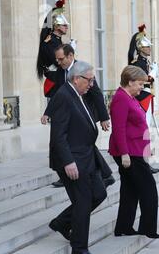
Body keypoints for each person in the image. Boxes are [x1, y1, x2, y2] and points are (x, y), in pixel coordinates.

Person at [48, 61, 107, 254]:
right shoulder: (63, 97)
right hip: (73, 160)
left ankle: (62, 222)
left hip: (87, 156)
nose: (91, 84)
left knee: (99, 194)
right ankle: (79, 250)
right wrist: (68, 162)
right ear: (76, 78)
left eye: (93, 80)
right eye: (89, 80)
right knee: (82, 202)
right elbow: (58, 136)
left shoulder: (79, 94)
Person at [42, 44, 115, 189]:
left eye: (61, 59)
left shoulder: (83, 71)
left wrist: (104, 117)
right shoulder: (60, 72)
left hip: (82, 115)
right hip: (69, 115)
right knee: (78, 144)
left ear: (70, 56)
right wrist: (48, 112)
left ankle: (103, 175)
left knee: (84, 145)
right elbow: (57, 95)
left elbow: (96, 94)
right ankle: (102, 175)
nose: (59, 62)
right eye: (57, 60)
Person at [109, 66, 159, 239]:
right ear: (130, 82)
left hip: (135, 150)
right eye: (139, 84)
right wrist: (124, 153)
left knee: (130, 189)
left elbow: (137, 126)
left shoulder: (129, 97)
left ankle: (124, 227)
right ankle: (147, 228)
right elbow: (119, 128)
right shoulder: (121, 99)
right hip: (128, 152)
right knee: (148, 188)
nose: (142, 87)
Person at [128, 24, 159, 175]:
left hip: (147, 97)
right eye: (147, 47)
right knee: (144, 130)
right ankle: (144, 162)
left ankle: (146, 161)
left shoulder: (144, 62)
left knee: (147, 129)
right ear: (140, 48)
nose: (149, 49)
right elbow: (142, 80)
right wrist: (153, 74)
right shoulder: (138, 63)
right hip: (142, 98)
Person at [36, 0, 70, 99]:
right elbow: (58, 63)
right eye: (64, 25)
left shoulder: (58, 41)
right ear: (56, 26)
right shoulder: (50, 42)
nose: (66, 27)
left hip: (60, 81)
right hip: (55, 83)